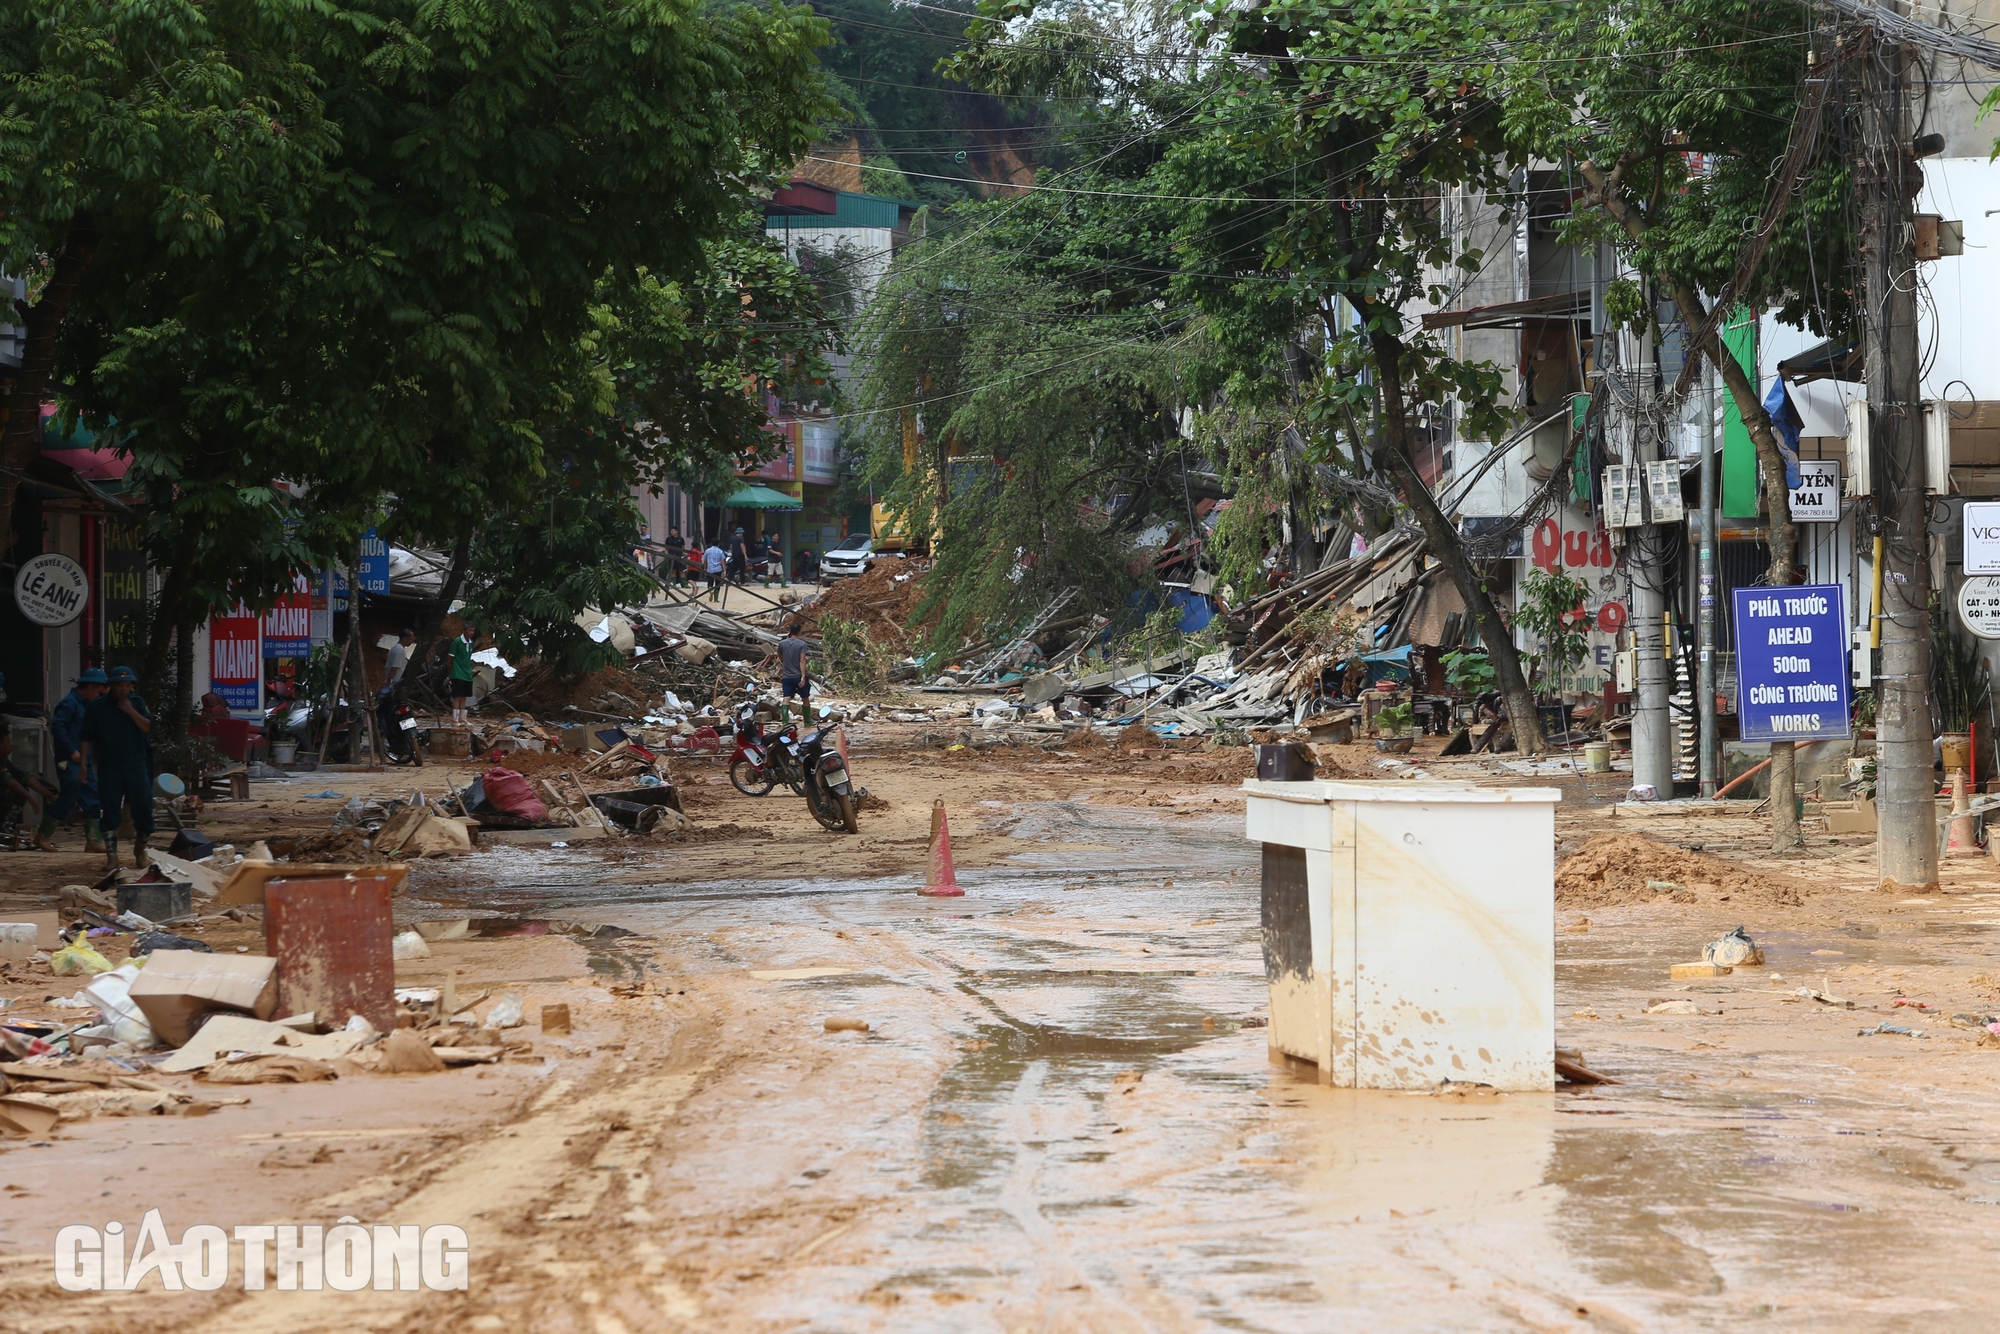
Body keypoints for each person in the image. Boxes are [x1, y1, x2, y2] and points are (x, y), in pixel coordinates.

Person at [80, 665, 154, 869]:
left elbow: (148, 727)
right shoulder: (96, 707)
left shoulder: (137, 703)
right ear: (110, 686)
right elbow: (86, 735)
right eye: (119, 685)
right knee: (110, 807)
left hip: (136, 763)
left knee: (144, 807)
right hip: (109, 765)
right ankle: (112, 856)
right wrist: (84, 763)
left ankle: (140, 849)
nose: (123, 690)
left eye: (127, 685)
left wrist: (130, 711)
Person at [50, 667, 106, 853]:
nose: (100, 696)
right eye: (99, 692)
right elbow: (58, 728)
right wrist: (72, 750)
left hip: (84, 761)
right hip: (68, 760)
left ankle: (93, 840)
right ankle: (43, 835)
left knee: (92, 796)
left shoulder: (88, 705)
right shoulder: (70, 703)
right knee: (70, 793)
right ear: (90, 687)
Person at [1, 727, 60, 853]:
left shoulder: (4, 761)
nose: (11, 745)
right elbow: (9, 780)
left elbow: (24, 777)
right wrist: (30, 797)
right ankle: (4, 830)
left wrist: (49, 795)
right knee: (14, 791)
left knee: (22, 788)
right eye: (8, 742)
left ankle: (7, 829)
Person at [778, 621, 813, 715]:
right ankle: (807, 721)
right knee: (805, 698)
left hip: (787, 677)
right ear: (799, 632)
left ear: (790, 631)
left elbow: (781, 658)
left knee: (786, 698)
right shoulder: (802, 644)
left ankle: (785, 722)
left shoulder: (782, 644)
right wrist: (803, 676)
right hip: (798, 676)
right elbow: (802, 660)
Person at [449, 624, 478, 725]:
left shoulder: (471, 643)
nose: (471, 633)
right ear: (464, 630)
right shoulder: (457, 642)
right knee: (458, 696)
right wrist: (451, 669)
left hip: (467, 673)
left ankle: (463, 718)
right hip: (457, 672)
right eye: (469, 630)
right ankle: (455, 719)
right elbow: (450, 657)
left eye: (473, 631)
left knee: (464, 697)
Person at [702, 538, 727, 603]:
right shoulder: (720, 551)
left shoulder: (707, 551)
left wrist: (705, 569)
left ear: (711, 543)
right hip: (718, 569)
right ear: (718, 544)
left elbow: (705, 561)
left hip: (710, 569)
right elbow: (722, 561)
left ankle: (711, 591)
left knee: (710, 583)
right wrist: (724, 570)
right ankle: (716, 599)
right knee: (717, 584)